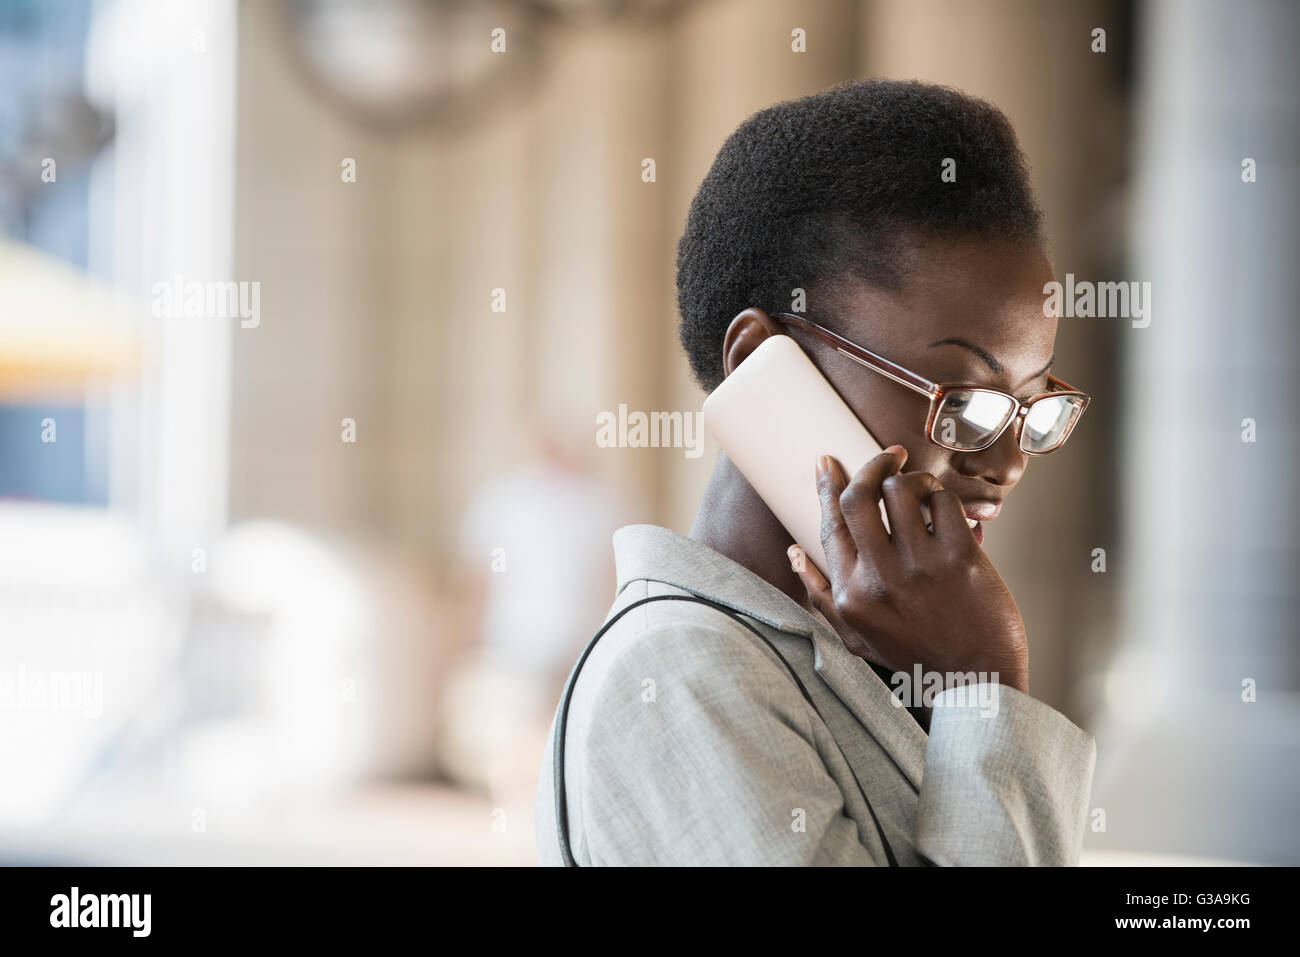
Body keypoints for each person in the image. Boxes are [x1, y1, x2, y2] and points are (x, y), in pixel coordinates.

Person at [535, 80, 1096, 866]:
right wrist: (986, 686)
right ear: (761, 362)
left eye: (1029, 407)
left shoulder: (876, 663)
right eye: (964, 398)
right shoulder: (679, 673)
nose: (1005, 462)